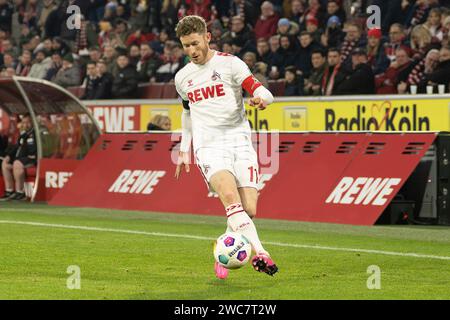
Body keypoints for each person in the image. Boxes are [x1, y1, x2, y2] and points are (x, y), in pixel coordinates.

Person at [173, 15, 278, 279]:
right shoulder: (183, 77)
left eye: (195, 43)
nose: (192, 51)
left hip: (239, 143)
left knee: (248, 210)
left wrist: (260, 99)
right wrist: (185, 148)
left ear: (207, 37)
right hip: (209, 147)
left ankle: (223, 248)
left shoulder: (231, 64)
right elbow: (187, 113)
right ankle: (262, 253)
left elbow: (263, 91)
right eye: (186, 46)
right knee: (231, 201)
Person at [0, 114, 37, 201]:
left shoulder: (35, 133)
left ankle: (20, 192)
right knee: (5, 164)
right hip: (21, 160)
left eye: (28, 122)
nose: (25, 125)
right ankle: (9, 191)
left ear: (33, 122)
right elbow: (17, 147)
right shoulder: (24, 134)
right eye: (24, 122)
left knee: (17, 163)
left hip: (31, 159)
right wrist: (8, 156)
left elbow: (34, 150)